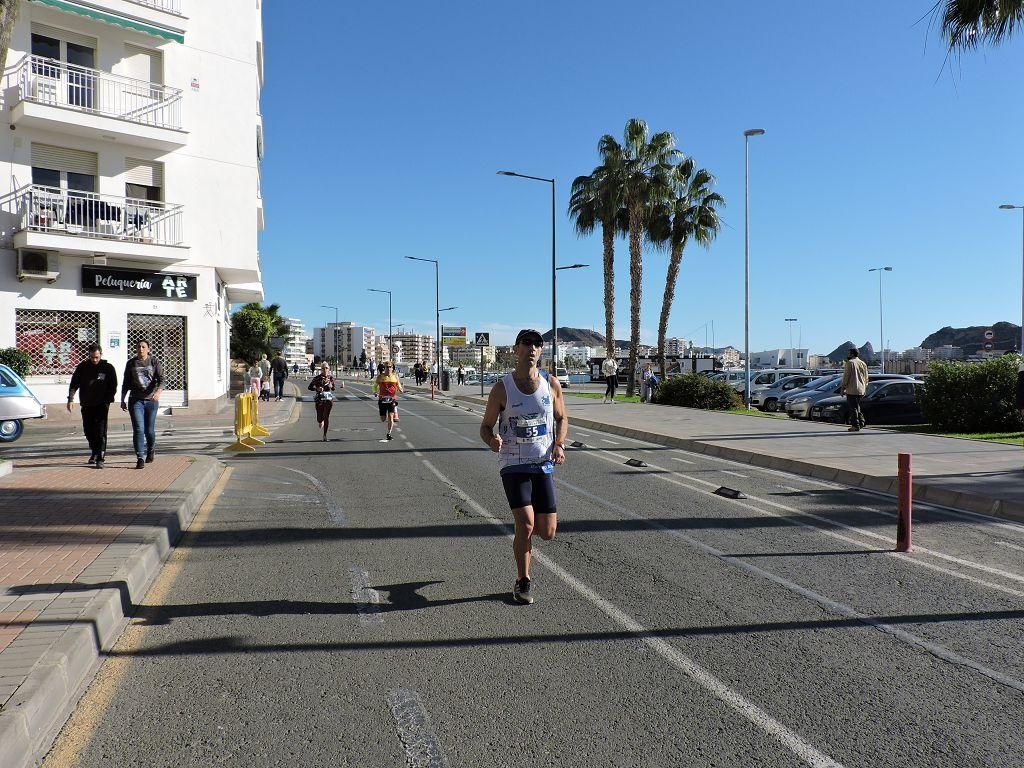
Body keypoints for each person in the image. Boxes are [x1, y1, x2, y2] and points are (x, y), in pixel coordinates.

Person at [479, 328, 568, 605]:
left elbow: (562, 418)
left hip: (542, 463)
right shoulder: (501, 388)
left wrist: (560, 444)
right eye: (526, 343)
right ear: (516, 349)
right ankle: (523, 580)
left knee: (547, 532)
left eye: (537, 344)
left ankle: (525, 555)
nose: (532, 348)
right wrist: (491, 439)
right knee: (526, 524)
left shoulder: (551, 384)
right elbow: (484, 426)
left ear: (541, 351)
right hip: (513, 463)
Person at [67, 344, 117, 468]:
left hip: (101, 404)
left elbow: (113, 385)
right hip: (87, 403)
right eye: (92, 357)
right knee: (88, 430)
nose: (95, 360)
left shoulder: (107, 368)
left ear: (101, 355)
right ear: (89, 355)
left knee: (100, 431)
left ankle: (100, 457)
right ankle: (94, 451)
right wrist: (71, 399)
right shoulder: (82, 367)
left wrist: (108, 399)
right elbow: (74, 384)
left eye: (97, 357)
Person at [121, 339, 164, 469]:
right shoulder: (131, 363)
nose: (141, 349)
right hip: (136, 400)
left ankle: (151, 449)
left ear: (148, 349)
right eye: (139, 347)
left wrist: (158, 392)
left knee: (149, 430)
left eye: (143, 347)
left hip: (151, 400)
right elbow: (126, 382)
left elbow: (162, 379)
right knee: (139, 429)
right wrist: (122, 399)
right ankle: (140, 457)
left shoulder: (154, 361)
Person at [308, 362, 342, 441]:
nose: (325, 370)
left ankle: (325, 435)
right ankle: (320, 421)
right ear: (321, 370)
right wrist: (317, 389)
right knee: (319, 418)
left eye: (326, 368)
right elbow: (309, 387)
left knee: (326, 416)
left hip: (328, 399)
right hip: (319, 399)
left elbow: (333, 388)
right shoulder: (317, 378)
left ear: (329, 369)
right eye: (323, 368)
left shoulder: (331, 378)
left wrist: (331, 386)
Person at [839, 347, 869, 431]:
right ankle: (861, 422)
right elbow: (866, 377)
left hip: (852, 389)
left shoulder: (850, 363)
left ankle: (855, 425)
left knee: (853, 408)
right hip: (861, 389)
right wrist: (865, 387)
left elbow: (846, 377)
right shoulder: (863, 363)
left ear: (852, 354)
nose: (848, 355)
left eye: (849, 353)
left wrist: (842, 388)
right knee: (857, 406)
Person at [372, 361, 404, 440]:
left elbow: (399, 385)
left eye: (390, 367)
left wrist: (400, 389)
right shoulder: (380, 377)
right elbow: (374, 386)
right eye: (387, 367)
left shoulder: (395, 377)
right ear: (384, 368)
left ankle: (389, 433)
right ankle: (392, 411)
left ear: (392, 368)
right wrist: (375, 392)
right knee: (383, 419)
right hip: (382, 399)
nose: (389, 368)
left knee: (390, 416)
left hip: (391, 399)